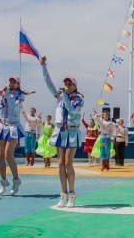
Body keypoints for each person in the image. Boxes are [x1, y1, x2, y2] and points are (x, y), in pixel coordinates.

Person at [41, 55, 84, 208]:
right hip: (60, 131)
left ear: (75, 86)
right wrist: (43, 66)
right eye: (65, 84)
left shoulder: (78, 99)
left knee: (68, 163)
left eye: (70, 84)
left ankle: (72, 194)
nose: (67, 86)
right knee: (60, 163)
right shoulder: (60, 97)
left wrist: (65, 96)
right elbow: (49, 83)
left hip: (72, 132)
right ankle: (63, 194)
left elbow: (72, 110)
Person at [0, 68, 25, 196]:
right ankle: (3, 181)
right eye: (10, 81)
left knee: (8, 155)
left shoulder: (20, 95)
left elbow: (14, 105)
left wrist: (7, 93)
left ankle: (16, 180)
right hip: (3, 126)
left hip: (13, 126)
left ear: (18, 84)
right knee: (0, 156)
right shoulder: (4, 92)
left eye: (14, 82)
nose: (11, 83)